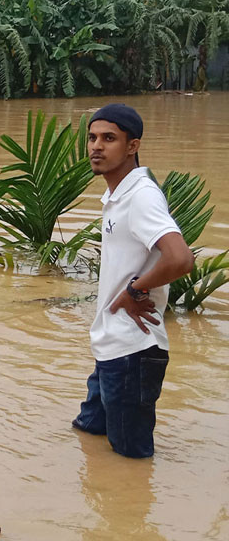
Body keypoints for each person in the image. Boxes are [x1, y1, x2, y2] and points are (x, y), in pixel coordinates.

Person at [71, 104, 195, 459]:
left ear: (132, 146)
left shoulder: (140, 196)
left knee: (131, 461)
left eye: (109, 138)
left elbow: (180, 258)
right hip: (112, 345)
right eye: (92, 137)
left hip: (133, 353)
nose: (96, 146)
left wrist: (134, 290)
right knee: (88, 433)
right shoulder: (118, 194)